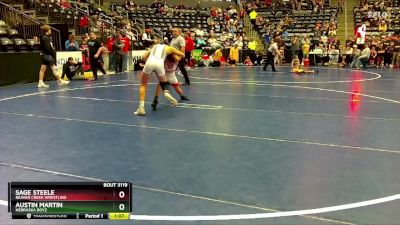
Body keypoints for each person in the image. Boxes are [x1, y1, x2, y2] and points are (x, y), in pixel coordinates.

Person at [134, 40, 185, 116]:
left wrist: (149, 64)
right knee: (163, 83)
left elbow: (144, 56)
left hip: (150, 62)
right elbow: (182, 55)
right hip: (160, 64)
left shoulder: (155, 46)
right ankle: (166, 92)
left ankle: (141, 108)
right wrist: (174, 52)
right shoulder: (169, 48)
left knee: (143, 85)